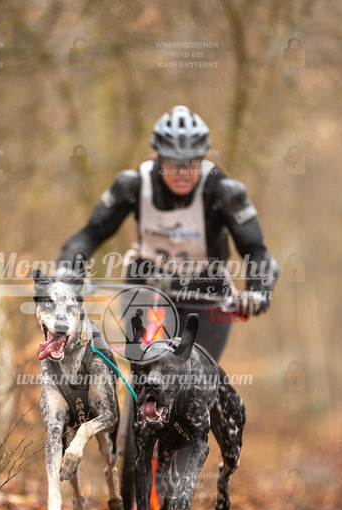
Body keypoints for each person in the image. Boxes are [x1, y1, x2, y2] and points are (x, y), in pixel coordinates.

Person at [57, 105, 279, 362]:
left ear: (202, 158)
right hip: (147, 282)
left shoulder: (225, 192)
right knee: (145, 369)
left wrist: (257, 291)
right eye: (174, 163)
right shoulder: (132, 185)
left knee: (196, 373)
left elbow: (257, 251)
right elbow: (89, 236)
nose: (182, 172)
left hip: (206, 291)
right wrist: (67, 270)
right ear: (158, 157)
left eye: (191, 163)